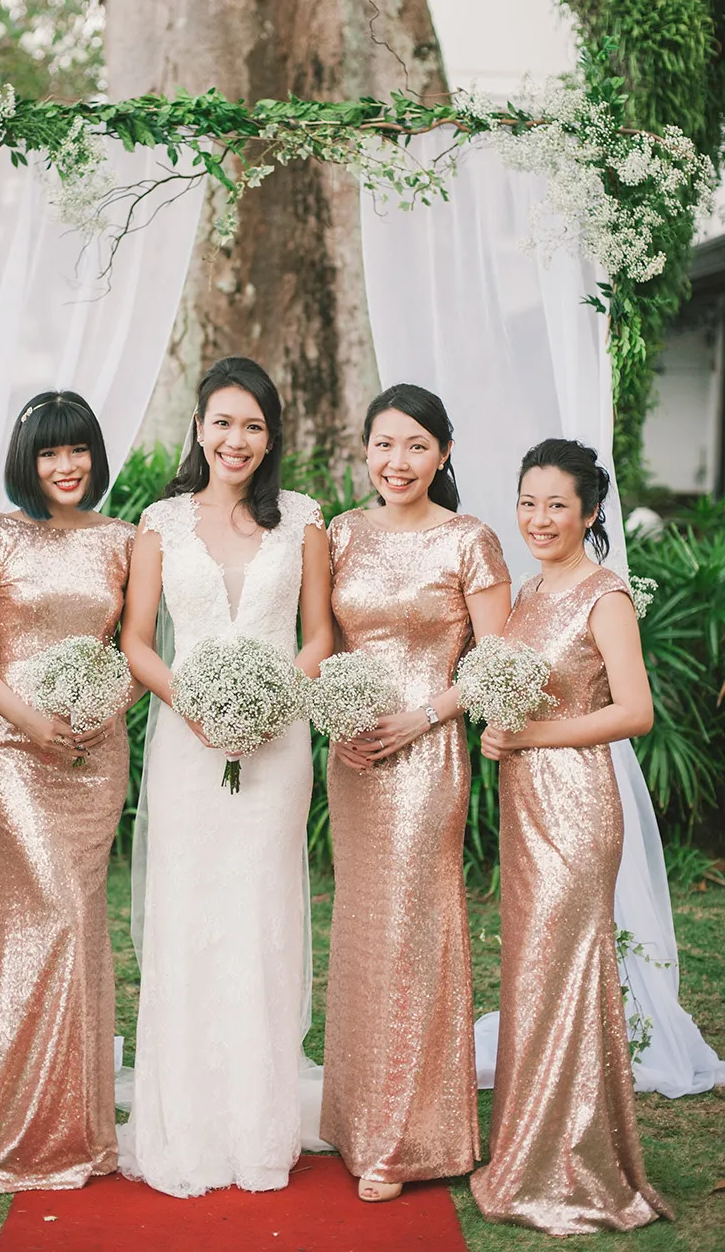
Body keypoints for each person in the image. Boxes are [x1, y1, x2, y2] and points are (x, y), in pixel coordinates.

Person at [118, 356, 332, 1197]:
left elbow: (319, 634)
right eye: (222, 422)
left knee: (262, 913)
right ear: (199, 428)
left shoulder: (305, 521)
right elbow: (138, 640)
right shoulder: (160, 522)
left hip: (280, 745)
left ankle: (259, 1123)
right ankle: (188, 1121)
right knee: (190, 914)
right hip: (187, 741)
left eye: (253, 424)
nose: (235, 439)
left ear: (270, 435)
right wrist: (196, 704)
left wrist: (278, 696)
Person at [470, 439, 672, 1233]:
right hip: (526, 804)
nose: (539, 517)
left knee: (564, 970)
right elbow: (515, 698)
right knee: (531, 971)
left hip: (578, 806)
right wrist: (498, 731)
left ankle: (572, 1165)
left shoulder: (604, 593)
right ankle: (529, 1150)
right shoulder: (525, 590)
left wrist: (531, 737)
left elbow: (634, 710)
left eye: (558, 504)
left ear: (590, 513)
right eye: (528, 501)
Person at [320, 384, 511, 1203]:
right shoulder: (340, 533)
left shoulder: (469, 539)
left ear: (444, 453)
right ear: (365, 449)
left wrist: (423, 716)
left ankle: (405, 1137)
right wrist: (338, 717)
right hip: (356, 757)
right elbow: (324, 641)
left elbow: (496, 660)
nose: (397, 462)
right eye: (384, 444)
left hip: (428, 756)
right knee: (363, 929)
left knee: (415, 928)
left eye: (416, 446)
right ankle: (359, 1117)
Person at [0, 391, 134, 1192]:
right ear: (29, 460)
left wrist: (99, 710)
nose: (67, 465)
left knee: (78, 920)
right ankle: (10, 1124)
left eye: (79, 449)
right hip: (16, 750)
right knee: (43, 909)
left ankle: (74, 1123)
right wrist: (29, 718)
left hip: (95, 752)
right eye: (51, 453)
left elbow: (138, 646)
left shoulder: (125, 540)